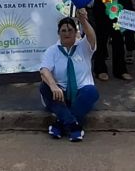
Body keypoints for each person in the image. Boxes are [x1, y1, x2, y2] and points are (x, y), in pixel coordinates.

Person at [39, 9, 99, 142]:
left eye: (70, 30)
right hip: (60, 94)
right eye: (63, 31)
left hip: (80, 93)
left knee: (91, 91)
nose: (67, 33)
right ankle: (74, 126)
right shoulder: (52, 50)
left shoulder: (83, 46)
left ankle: (60, 123)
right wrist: (54, 86)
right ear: (58, 33)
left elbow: (91, 36)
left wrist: (83, 20)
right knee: (44, 87)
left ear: (76, 32)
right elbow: (44, 70)